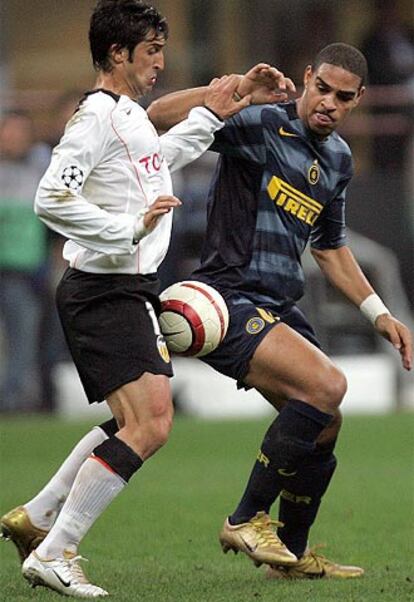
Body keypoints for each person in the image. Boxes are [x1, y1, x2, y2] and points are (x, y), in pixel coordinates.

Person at [0, 0, 294, 598]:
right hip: (106, 287)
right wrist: (127, 230)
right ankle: (55, 551)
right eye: (152, 51)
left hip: (122, 286)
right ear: (117, 54)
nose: (161, 62)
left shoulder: (126, 116)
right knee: (153, 422)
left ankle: (38, 514)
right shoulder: (95, 118)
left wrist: (217, 110)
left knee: (133, 420)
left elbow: (163, 162)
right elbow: (50, 198)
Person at [147, 42, 413, 579]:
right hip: (229, 297)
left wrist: (378, 313)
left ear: (358, 99)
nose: (329, 104)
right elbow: (158, 115)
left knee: (326, 423)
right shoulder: (258, 123)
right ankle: (245, 517)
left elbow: (330, 247)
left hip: (278, 304)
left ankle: (287, 558)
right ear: (308, 77)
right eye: (322, 89)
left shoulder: (338, 158)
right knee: (327, 386)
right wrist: (236, 91)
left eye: (343, 97)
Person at [0, 111, 48, 412]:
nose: (13, 137)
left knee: (24, 343)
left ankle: (13, 403)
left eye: (20, 131)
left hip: (26, 272)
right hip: (5, 268)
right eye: (9, 131)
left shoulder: (41, 171)